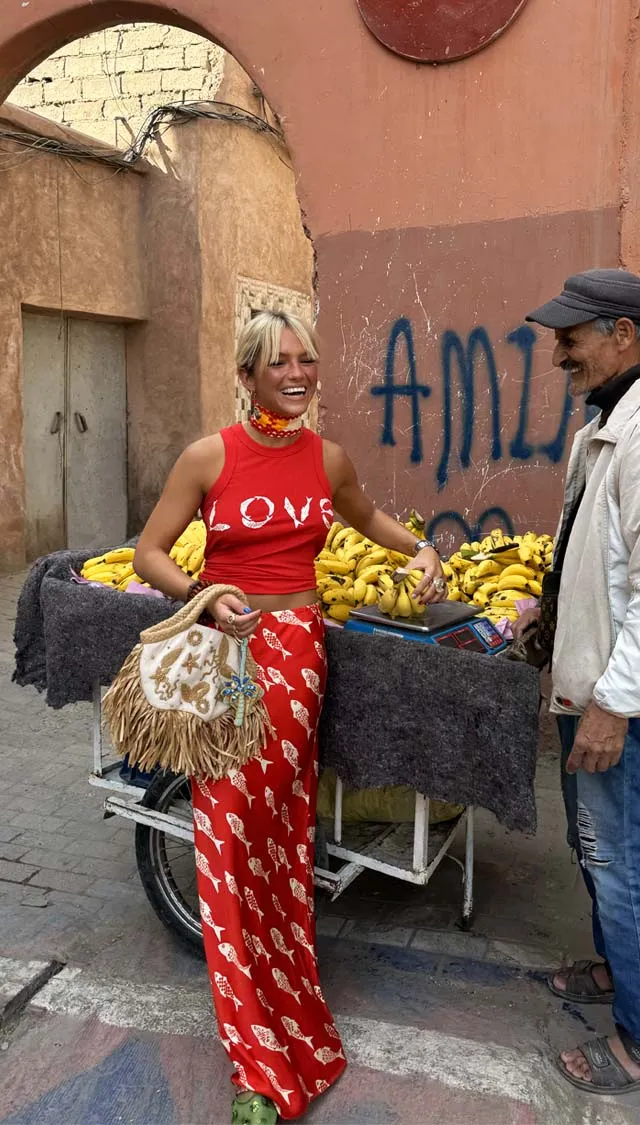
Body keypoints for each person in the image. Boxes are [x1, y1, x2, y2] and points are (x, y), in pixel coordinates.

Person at [133, 310, 447, 1124]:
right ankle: (254, 1062)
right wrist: (204, 593)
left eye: (308, 359)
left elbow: (364, 514)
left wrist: (416, 550)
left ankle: (291, 1009)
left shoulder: (327, 457)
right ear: (247, 374)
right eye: (281, 363)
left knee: (277, 834)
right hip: (230, 664)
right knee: (224, 835)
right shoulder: (208, 458)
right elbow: (150, 551)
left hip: (300, 660)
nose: (300, 373)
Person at [515, 269, 640, 1094]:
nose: (559, 348)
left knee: (620, 857)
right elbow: (600, 556)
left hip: (620, 701)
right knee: (595, 849)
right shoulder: (606, 422)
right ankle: (616, 970)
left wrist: (613, 705)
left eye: (573, 334)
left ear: (623, 334)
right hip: (593, 686)